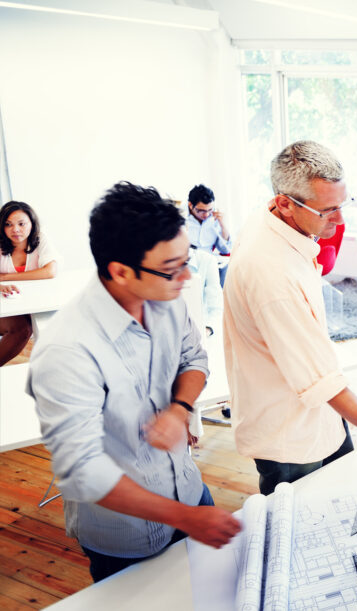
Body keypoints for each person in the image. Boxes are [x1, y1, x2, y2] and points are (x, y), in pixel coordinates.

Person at [26, 182, 241, 582]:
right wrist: (187, 519)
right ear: (120, 272)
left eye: (186, 260)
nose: (187, 276)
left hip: (189, 491)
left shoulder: (167, 298)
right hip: (124, 534)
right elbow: (83, 470)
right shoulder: (67, 349)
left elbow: (194, 359)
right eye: (171, 268)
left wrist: (180, 409)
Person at [224, 141, 357, 495]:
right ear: (284, 203)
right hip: (288, 437)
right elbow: (320, 382)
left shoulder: (278, 220)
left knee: (343, 497)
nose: (341, 219)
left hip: (322, 417)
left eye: (342, 204)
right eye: (327, 210)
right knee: (305, 529)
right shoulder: (270, 274)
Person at [0, 201, 59, 365]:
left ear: (31, 224)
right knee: (21, 330)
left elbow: (50, 271)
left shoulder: (40, 239)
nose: (16, 230)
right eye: (8, 224)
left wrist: (4, 277)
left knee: (51, 326)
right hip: (5, 305)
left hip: (30, 302)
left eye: (21, 223)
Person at [186, 184, 231, 285]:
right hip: (188, 263)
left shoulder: (214, 219)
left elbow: (225, 249)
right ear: (190, 205)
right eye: (201, 210)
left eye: (209, 210)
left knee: (226, 268)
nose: (206, 215)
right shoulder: (182, 218)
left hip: (208, 262)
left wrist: (222, 224)